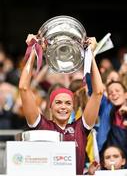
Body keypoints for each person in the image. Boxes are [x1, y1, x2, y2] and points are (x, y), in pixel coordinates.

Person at [19, 34, 104, 175]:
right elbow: (23, 88)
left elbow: (98, 92)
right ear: (50, 106)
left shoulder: (80, 129)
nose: (63, 107)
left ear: (72, 107)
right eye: (58, 102)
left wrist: (91, 55)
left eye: (67, 103)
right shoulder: (41, 125)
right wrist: (34, 49)